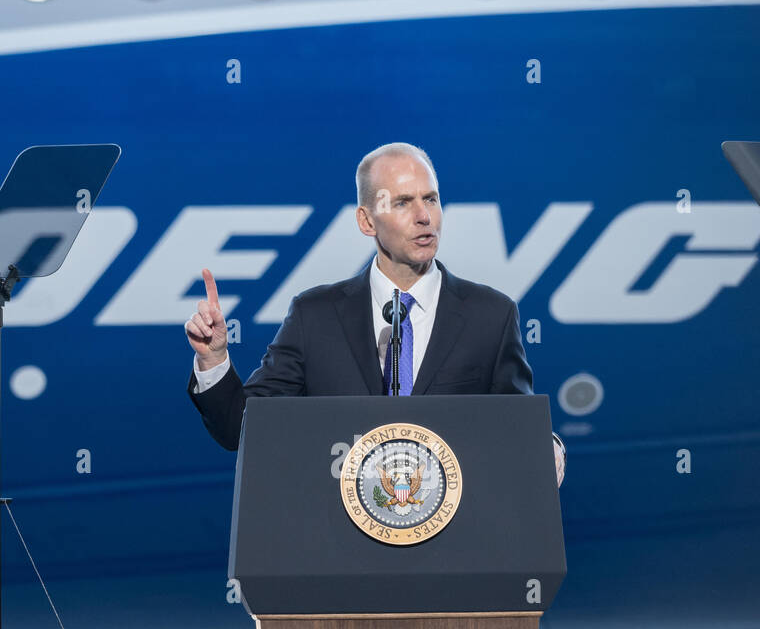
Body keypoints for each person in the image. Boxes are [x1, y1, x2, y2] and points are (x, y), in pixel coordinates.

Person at [185, 142, 565, 484]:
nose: (424, 217)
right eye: (402, 202)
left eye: (430, 199)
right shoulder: (314, 317)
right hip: (342, 547)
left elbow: (517, 428)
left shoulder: (491, 317)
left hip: (455, 548)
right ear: (367, 221)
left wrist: (547, 448)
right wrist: (215, 358)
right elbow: (241, 429)